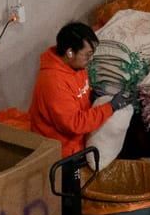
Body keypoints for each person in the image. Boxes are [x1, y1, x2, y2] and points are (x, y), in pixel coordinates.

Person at [27, 22, 123, 158]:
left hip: (76, 143)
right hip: (59, 152)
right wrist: (110, 108)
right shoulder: (53, 82)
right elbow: (74, 124)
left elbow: (80, 95)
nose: (90, 60)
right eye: (87, 55)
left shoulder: (76, 66)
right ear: (70, 52)